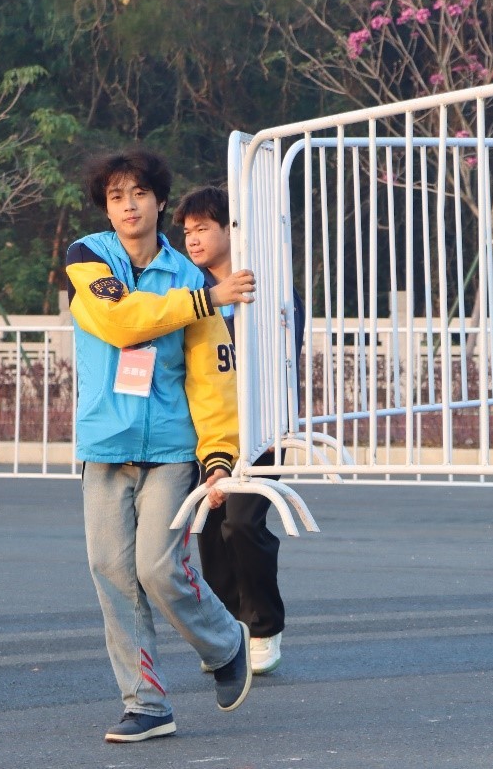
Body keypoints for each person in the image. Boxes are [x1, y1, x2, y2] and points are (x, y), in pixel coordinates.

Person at [64, 146, 252, 744]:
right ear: (106, 207)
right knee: (112, 573)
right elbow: (122, 322)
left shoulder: (188, 275)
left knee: (157, 567)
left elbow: (211, 376)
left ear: (160, 201)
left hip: (172, 449)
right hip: (105, 444)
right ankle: (146, 703)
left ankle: (225, 643)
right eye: (116, 197)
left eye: (139, 194)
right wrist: (208, 299)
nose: (129, 206)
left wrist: (219, 458)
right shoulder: (87, 258)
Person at [173, 185, 304, 675]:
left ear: (232, 230)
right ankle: (228, 632)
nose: (192, 239)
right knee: (210, 532)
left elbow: (283, 361)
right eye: (187, 231)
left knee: (243, 524)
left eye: (203, 228)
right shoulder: (189, 294)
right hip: (208, 435)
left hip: (261, 431)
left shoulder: (271, 291)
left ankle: (263, 627)